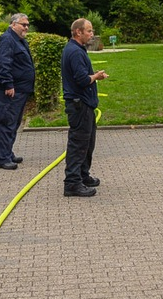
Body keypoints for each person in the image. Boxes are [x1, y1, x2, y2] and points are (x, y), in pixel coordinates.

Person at [62, 18, 107, 197]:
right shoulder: (74, 52)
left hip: (84, 105)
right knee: (79, 144)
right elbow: (81, 80)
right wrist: (96, 76)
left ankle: (82, 175)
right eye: (89, 31)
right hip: (79, 105)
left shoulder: (77, 50)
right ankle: (72, 183)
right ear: (78, 32)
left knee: (87, 143)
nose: (92, 34)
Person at [0, 13, 36, 169]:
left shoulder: (19, 40)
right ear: (13, 24)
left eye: (27, 25)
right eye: (23, 24)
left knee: (13, 122)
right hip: (9, 91)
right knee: (5, 122)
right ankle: (3, 159)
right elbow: (4, 64)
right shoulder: (7, 40)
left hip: (20, 89)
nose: (26, 27)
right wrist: (8, 85)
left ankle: (7, 152)